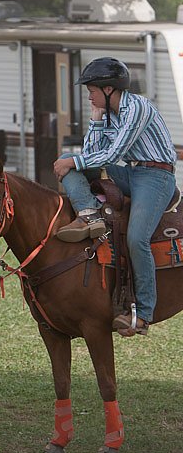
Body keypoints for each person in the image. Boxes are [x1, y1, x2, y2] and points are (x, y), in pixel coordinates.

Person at [53, 57, 177, 337]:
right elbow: (91, 152)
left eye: (92, 89)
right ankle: (88, 215)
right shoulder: (108, 113)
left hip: (157, 177)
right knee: (67, 158)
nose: (89, 95)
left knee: (137, 238)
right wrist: (95, 123)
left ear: (109, 89)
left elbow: (112, 154)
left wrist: (75, 162)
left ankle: (143, 314)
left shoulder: (137, 108)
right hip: (131, 172)